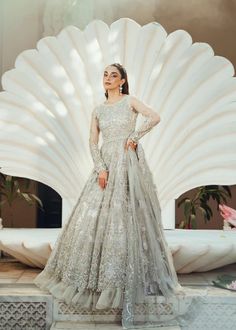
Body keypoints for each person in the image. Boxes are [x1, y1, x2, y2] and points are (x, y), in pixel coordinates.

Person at [34, 63, 204, 329]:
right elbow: (92, 142)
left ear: (123, 81)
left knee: (130, 216)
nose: (108, 78)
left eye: (114, 75)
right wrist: (101, 168)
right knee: (96, 218)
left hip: (128, 163)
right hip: (106, 163)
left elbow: (155, 116)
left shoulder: (129, 102)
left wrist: (134, 136)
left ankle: (131, 278)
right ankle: (98, 280)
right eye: (105, 75)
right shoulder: (98, 110)